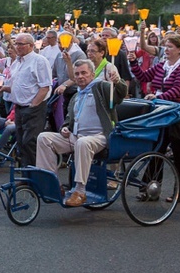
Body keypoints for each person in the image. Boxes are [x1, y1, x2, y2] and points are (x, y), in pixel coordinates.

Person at [36, 59, 127, 206]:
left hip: (99, 137)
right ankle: (53, 184)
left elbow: (119, 95)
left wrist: (117, 81)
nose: (80, 76)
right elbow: (69, 119)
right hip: (76, 136)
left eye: (84, 73)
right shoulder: (76, 95)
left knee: (82, 142)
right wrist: (64, 128)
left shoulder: (101, 87)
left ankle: (80, 191)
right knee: (43, 138)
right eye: (77, 74)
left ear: (92, 74)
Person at [129, 34, 180, 202]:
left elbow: (178, 90)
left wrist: (157, 98)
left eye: (170, 47)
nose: (165, 50)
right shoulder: (163, 65)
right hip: (161, 112)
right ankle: (150, 188)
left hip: (179, 116)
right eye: (166, 46)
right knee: (155, 150)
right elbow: (144, 77)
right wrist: (132, 62)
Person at [10, 33, 52, 167]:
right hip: (19, 107)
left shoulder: (39, 61)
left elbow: (45, 86)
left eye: (21, 44)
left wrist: (33, 105)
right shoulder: (17, 61)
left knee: (30, 142)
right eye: (16, 43)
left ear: (31, 45)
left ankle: (35, 174)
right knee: (21, 142)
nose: (17, 46)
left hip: (33, 108)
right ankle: (25, 173)